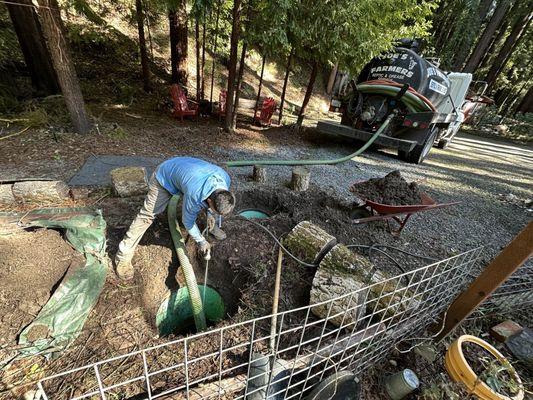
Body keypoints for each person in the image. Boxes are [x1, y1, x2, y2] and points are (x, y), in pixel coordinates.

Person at [114, 156, 235, 280]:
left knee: (205, 208)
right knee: (146, 216)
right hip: (164, 177)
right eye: (214, 209)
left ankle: (211, 226)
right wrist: (201, 241)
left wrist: (210, 214)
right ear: (209, 201)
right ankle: (123, 256)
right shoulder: (195, 193)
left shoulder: (225, 178)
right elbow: (187, 222)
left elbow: (212, 200)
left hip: (186, 172)